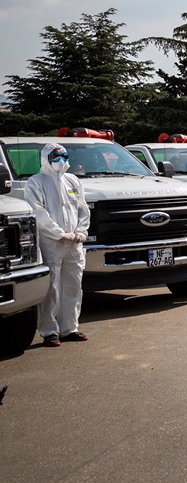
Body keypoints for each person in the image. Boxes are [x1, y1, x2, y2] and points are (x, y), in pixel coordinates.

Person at [25, 143, 91, 347]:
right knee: (51, 288)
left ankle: (69, 328)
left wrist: (81, 231)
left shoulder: (72, 180)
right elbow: (38, 212)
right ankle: (49, 331)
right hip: (51, 243)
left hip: (75, 243)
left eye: (64, 156)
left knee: (73, 285)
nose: (61, 160)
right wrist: (59, 234)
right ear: (46, 158)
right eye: (56, 156)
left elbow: (83, 208)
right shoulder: (36, 182)